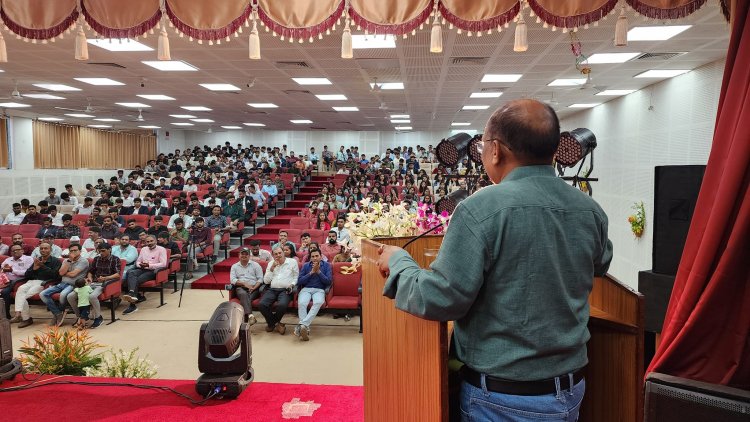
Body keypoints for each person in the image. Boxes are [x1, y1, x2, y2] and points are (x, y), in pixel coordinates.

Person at [375, 99, 614, 421]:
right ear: (555, 150)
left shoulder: (481, 208)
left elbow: (441, 299)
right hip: (570, 388)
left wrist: (400, 262)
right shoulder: (590, 209)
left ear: (496, 150)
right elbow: (601, 263)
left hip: (503, 397)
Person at [67, 242, 119, 329]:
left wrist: (106, 278)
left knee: (92, 296)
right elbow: (91, 271)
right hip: (92, 283)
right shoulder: (97, 259)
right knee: (70, 296)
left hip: (105, 284)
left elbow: (117, 275)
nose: (101, 253)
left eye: (103, 251)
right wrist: (89, 278)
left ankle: (98, 317)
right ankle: (81, 316)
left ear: (109, 250)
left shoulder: (115, 259)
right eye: (99, 251)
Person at [13, 242, 62, 328]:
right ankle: (19, 314)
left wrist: (42, 266)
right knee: (20, 289)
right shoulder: (37, 259)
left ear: (50, 250)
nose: (43, 250)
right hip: (31, 282)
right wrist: (34, 269)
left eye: (45, 248)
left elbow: (56, 276)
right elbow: (27, 274)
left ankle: (25, 318)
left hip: (44, 283)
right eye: (41, 248)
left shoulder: (56, 261)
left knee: (22, 297)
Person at [40, 243, 89, 327]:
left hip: (73, 285)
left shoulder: (83, 261)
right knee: (43, 294)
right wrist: (69, 261)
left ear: (80, 251)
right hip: (62, 283)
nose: (73, 252)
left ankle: (60, 311)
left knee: (63, 295)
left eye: (75, 250)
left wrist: (65, 273)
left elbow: (73, 274)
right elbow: (61, 273)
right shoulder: (66, 261)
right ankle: (58, 313)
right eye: (71, 251)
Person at [122, 235, 167, 315]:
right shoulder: (143, 249)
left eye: (151, 241)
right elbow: (138, 261)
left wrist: (149, 265)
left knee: (136, 280)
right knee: (131, 273)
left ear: (156, 241)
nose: (149, 243)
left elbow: (163, 264)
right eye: (147, 242)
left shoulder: (161, 249)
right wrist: (141, 265)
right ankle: (133, 294)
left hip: (152, 271)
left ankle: (132, 304)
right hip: (142, 268)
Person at [259, 246, 298, 335]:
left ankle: (271, 324)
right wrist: (272, 269)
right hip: (272, 289)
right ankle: (277, 324)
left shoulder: (292, 262)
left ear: (283, 253)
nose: (278, 255)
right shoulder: (271, 264)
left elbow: (296, 277)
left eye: (280, 253)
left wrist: (292, 285)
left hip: (285, 289)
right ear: (273, 255)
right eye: (276, 254)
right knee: (261, 304)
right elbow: (266, 281)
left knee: (282, 305)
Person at [295, 249, 332, 341]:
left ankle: (302, 325)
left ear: (321, 256)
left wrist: (318, 272)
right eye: (313, 256)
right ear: (310, 257)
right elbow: (299, 281)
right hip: (306, 289)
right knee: (302, 303)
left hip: (319, 290)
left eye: (317, 256)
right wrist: (311, 273)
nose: (315, 258)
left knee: (318, 302)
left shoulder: (327, 266)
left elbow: (328, 281)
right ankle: (305, 328)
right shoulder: (306, 266)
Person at [230, 247, 264, 325]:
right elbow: (233, 280)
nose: (244, 256)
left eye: (246, 254)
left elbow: (260, 279)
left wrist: (253, 287)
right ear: (239, 255)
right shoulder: (234, 266)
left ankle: (245, 321)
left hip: (254, 288)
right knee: (243, 294)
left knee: (246, 298)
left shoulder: (256, 265)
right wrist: (244, 283)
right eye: (242, 254)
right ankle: (250, 316)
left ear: (249, 256)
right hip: (240, 288)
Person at [1, 244, 34, 320]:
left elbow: (27, 272)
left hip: (21, 280)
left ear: (22, 250)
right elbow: (3, 269)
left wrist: (12, 270)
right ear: (11, 253)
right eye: (13, 250)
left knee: (5, 292)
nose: (15, 251)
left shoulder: (28, 259)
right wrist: (5, 269)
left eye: (18, 250)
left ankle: (6, 315)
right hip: (7, 281)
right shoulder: (8, 260)